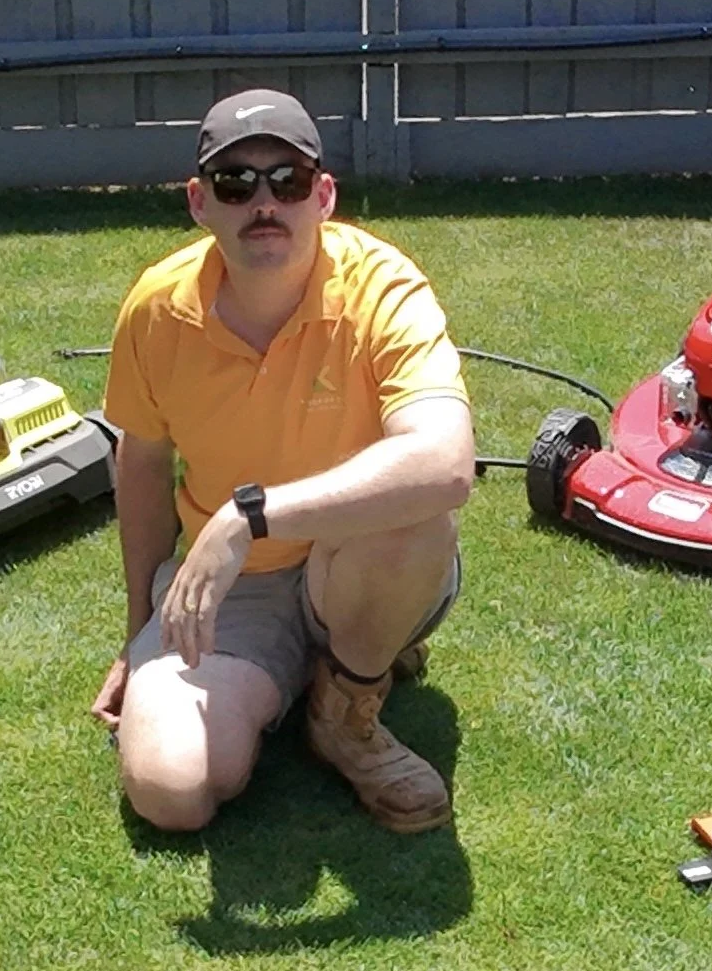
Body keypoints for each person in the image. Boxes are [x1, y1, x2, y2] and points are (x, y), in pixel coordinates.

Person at [91, 89, 474, 835]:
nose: (262, 202)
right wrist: (138, 631)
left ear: (323, 195)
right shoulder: (156, 309)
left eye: (286, 180)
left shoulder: (382, 286)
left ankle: (346, 713)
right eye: (236, 183)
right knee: (172, 793)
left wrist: (249, 516)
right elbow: (141, 463)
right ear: (200, 203)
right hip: (236, 586)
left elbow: (446, 462)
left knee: (416, 503)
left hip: (360, 554)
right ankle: (320, 667)